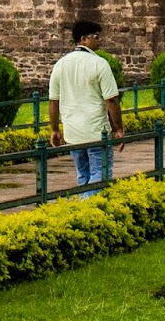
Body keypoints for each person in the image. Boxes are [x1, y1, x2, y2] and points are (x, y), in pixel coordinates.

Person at [48, 21, 124, 197]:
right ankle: (90, 211)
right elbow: (111, 100)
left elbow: (53, 101)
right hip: (96, 131)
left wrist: (54, 129)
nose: (100, 41)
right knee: (99, 173)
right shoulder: (99, 64)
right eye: (96, 37)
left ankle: (84, 209)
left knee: (83, 174)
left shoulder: (61, 64)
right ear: (83, 39)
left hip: (73, 131)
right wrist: (118, 129)